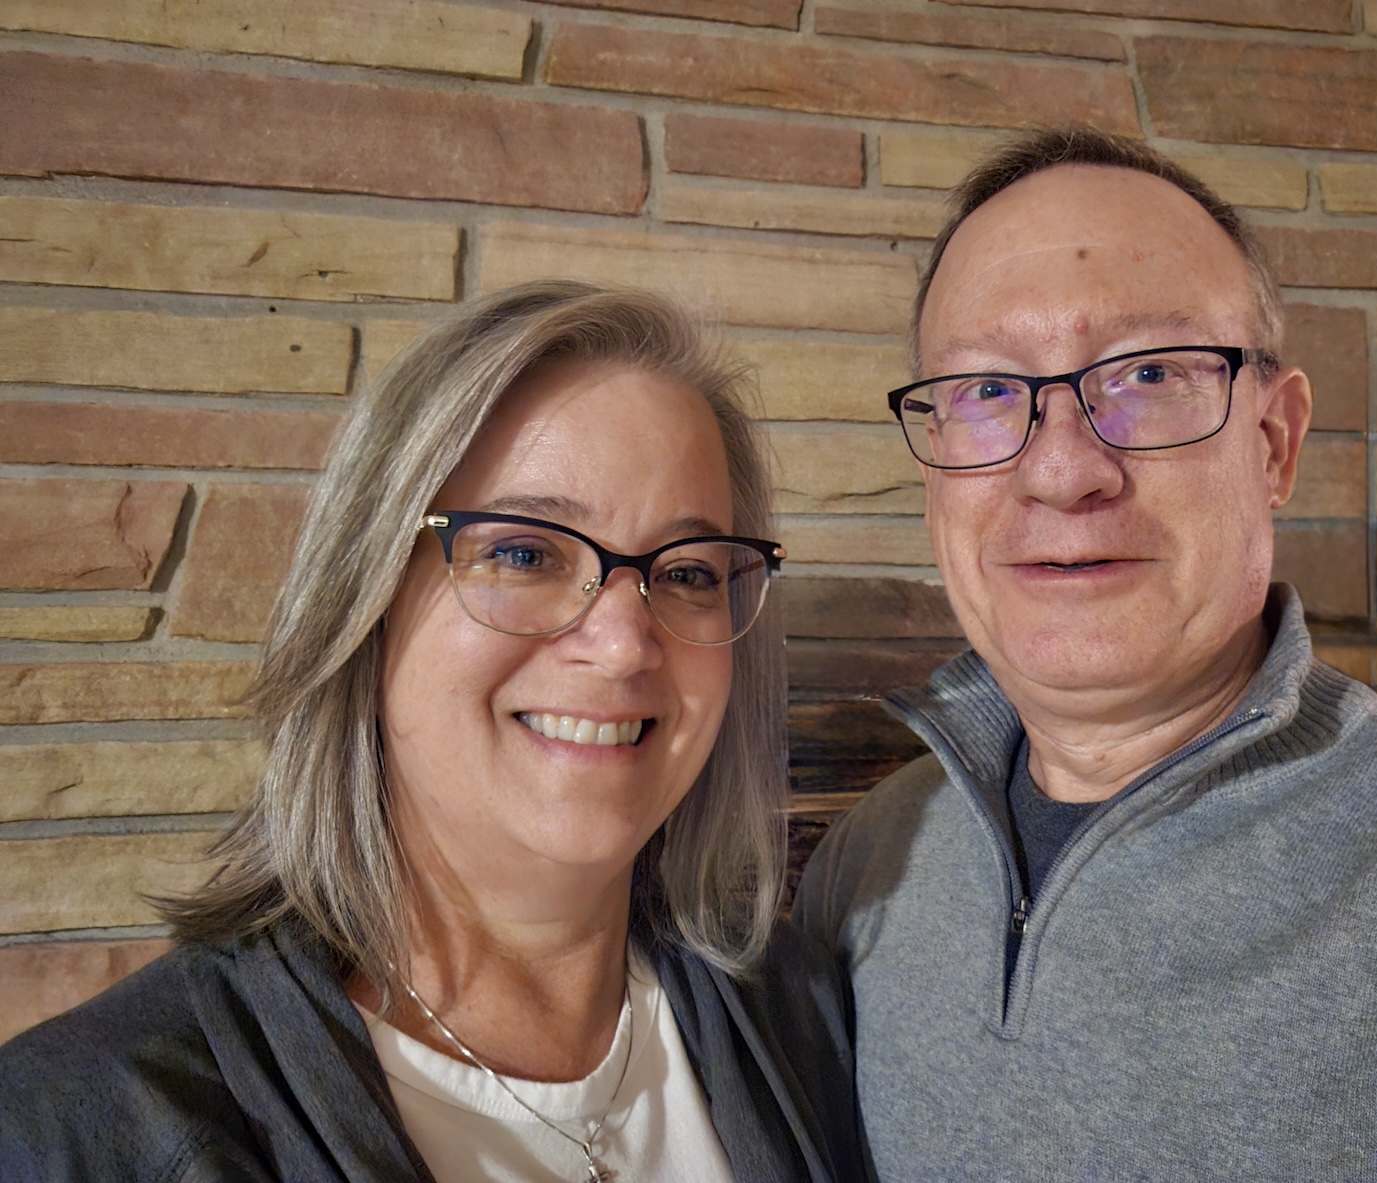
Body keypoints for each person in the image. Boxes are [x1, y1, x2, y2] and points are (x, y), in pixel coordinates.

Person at [1, 281, 866, 1183]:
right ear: (365, 600)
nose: (622, 645)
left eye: (687, 572)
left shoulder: (804, 1022)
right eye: (525, 553)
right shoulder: (77, 1130)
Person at [794, 126, 1377, 1180]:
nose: (1062, 470)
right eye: (986, 389)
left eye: (1149, 372)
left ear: (1273, 443)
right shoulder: (870, 861)